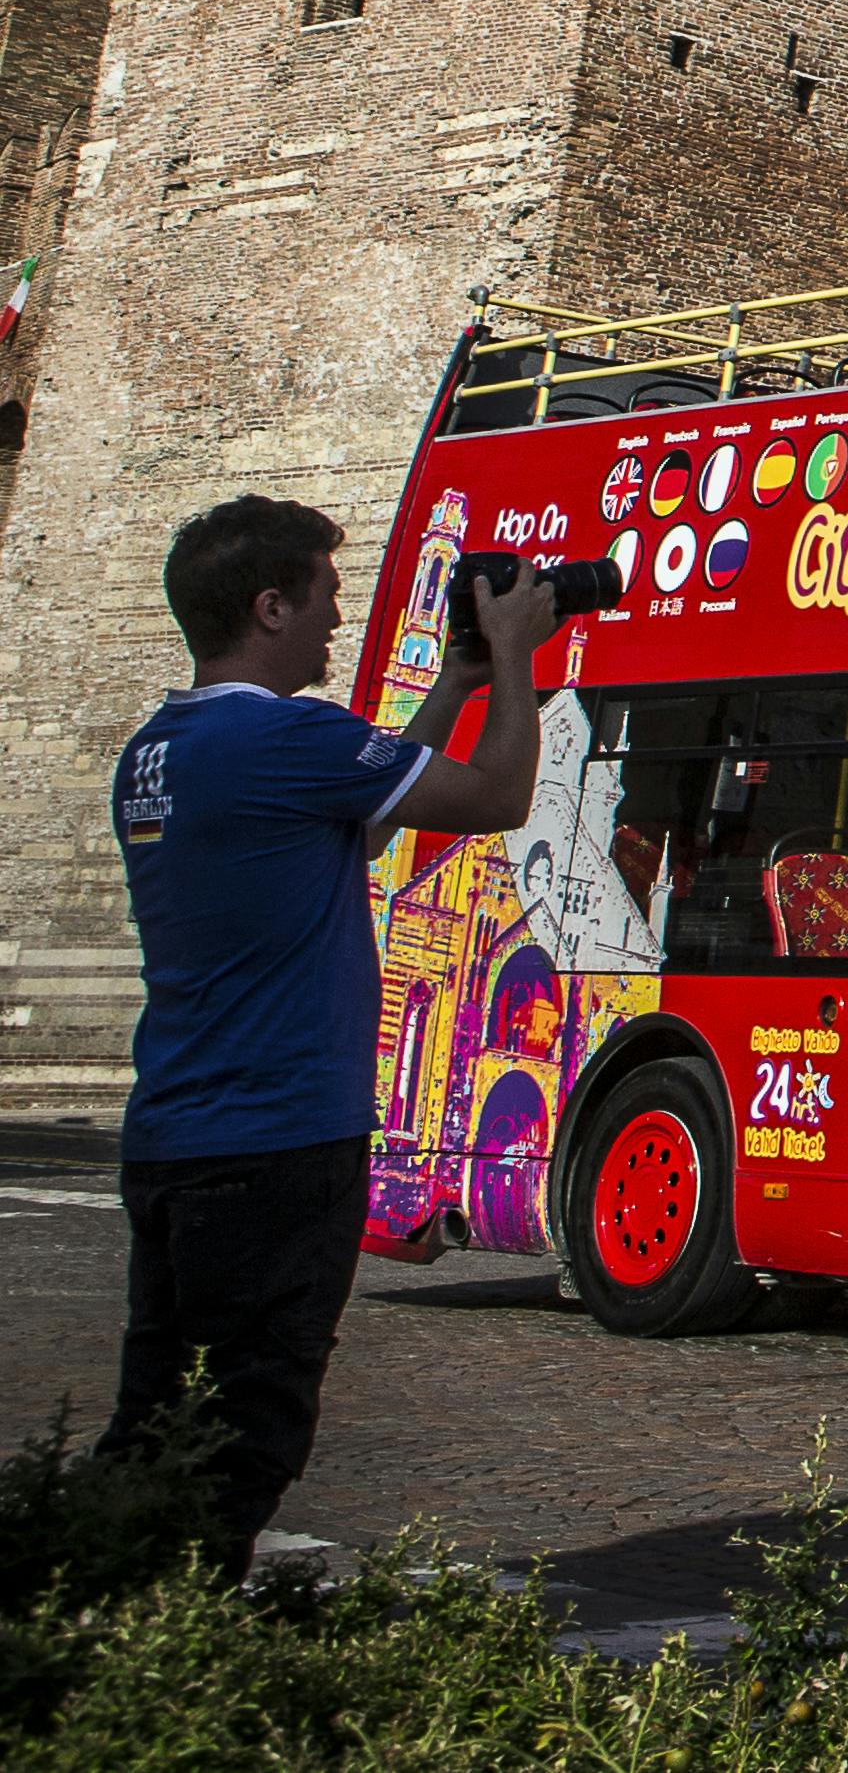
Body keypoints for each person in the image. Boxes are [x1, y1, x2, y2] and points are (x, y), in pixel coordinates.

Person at [103, 497, 564, 1560]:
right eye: (323, 602)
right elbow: (495, 796)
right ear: (269, 607)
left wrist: (456, 683)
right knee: (246, 1434)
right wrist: (516, 657)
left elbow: (354, 812)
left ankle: (97, 1622)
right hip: (277, 1140)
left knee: (156, 1418)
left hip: (178, 1132)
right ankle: (179, 1643)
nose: (333, 626)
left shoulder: (161, 750)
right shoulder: (286, 739)